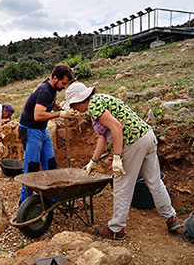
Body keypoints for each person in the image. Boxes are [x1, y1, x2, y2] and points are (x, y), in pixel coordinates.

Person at [63, 81, 180, 239]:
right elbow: (102, 138)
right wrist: (93, 161)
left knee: (122, 185)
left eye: (73, 105)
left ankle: (116, 229)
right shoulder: (100, 101)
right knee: (154, 181)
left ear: (80, 99)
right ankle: (171, 218)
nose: (73, 109)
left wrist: (117, 157)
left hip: (133, 142)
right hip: (147, 137)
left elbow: (116, 127)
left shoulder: (93, 105)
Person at [19, 64, 75, 203]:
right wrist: (60, 114)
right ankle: (25, 203)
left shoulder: (50, 87)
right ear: (55, 78)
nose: (64, 87)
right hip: (31, 130)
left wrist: (58, 107)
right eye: (63, 83)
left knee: (51, 164)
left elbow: (48, 101)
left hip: (42, 131)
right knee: (32, 168)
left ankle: (53, 199)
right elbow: (38, 115)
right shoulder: (45, 91)